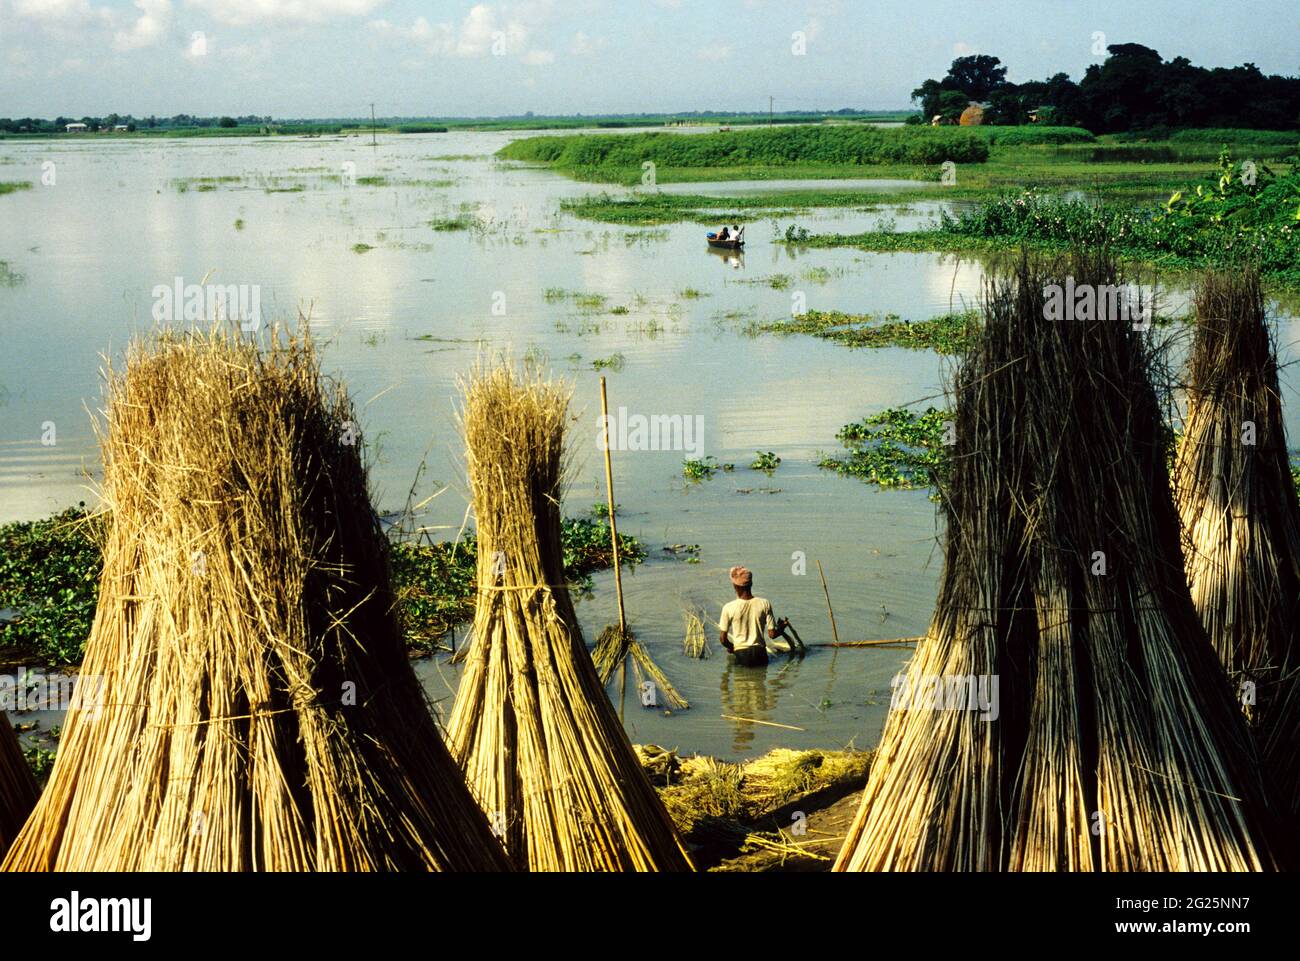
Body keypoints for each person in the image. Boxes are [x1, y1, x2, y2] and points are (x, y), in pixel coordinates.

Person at [718, 566, 787, 667]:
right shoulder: (765, 603)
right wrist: (782, 627)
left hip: (741, 655)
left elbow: (723, 639)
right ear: (751, 584)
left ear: (735, 586)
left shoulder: (728, 607)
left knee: (741, 681)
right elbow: (772, 635)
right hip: (760, 654)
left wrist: (732, 647)